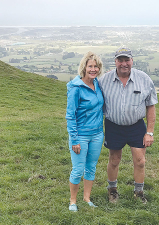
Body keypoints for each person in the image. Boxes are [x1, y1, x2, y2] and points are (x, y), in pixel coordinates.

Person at [98, 47, 158, 204]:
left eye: (127, 60)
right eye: (120, 60)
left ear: (132, 61)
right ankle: (112, 190)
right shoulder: (104, 80)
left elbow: (151, 106)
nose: (124, 63)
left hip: (136, 126)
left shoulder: (144, 79)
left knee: (140, 161)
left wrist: (149, 132)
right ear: (115, 62)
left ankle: (138, 192)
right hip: (113, 126)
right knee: (114, 160)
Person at [65, 52, 104, 212]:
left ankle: (87, 198)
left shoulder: (98, 85)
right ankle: (72, 201)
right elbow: (70, 115)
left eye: (96, 66)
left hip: (97, 134)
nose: (93, 69)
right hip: (80, 135)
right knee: (78, 169)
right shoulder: (76, 89)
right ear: (84, 68)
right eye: (90, 66)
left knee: (91, 167)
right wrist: (74, 139)